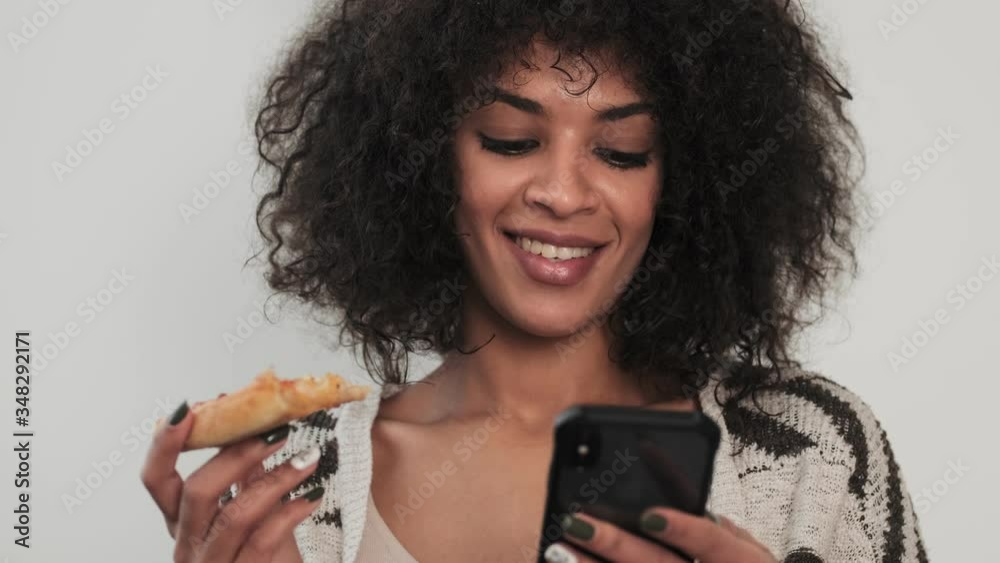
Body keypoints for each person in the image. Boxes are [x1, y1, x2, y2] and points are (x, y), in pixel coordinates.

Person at [142, 0, 928, 561]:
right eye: (512, 139)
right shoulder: (288, 488)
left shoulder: (808, 456)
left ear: (682, 182)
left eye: (622, 151)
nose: (563, 192)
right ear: (424, 156)